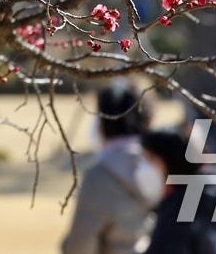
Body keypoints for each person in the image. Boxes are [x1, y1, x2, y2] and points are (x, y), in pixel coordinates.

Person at [60, 83, 164, 254]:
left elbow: (80, 247)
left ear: (100, 124)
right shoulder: (165, 168)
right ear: (149, 120)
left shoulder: (100, 177)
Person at [138, 129, 216, 254]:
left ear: (170, 162)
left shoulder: (180, 210)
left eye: (150, 158)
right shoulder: (215, 189)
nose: (144, 166)